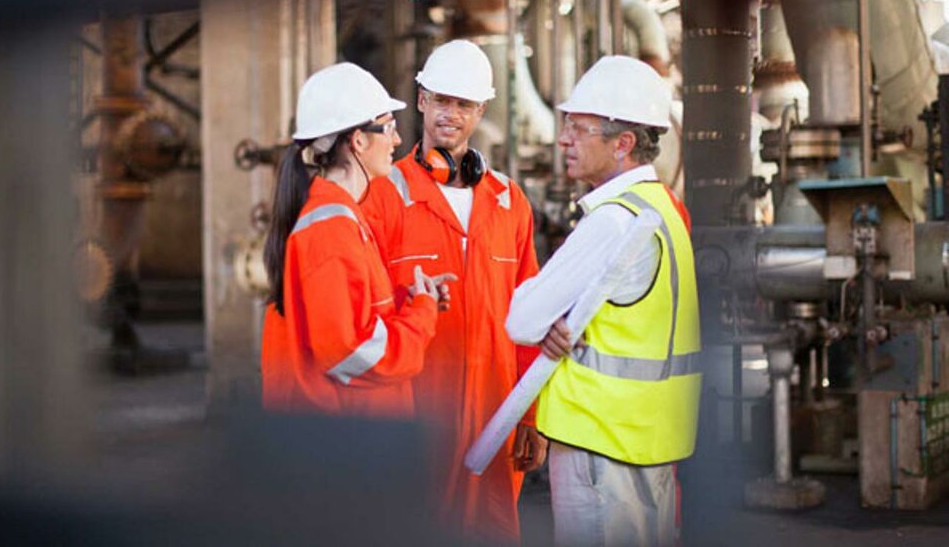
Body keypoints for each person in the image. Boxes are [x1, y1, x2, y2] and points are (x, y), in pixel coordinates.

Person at [505, 55, 701, 547]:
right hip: (651, 442)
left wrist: (551, 315)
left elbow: (522, 320)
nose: (563, 140)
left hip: (599, 441)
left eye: (579, 129)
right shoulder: (663, 209)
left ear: (623, 144)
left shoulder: (614, 220)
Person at [361, 39, 545, 543]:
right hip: (416, 415)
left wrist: (531, 415)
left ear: (481, 111)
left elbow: (530, 318)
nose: (451, 114)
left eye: (464, 104)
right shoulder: (385, 195)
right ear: (421, 99)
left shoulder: (508, 202)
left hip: (496, 414)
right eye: (441, 100)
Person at [261, 62, 454, 418]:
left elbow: (349, 316)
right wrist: (421, 313)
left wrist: (410, 299)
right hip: (343, 436)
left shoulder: (342, 217)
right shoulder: (330, 230)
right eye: (389, 127)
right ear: (359, 140)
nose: (397, 140)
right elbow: (352, 354)